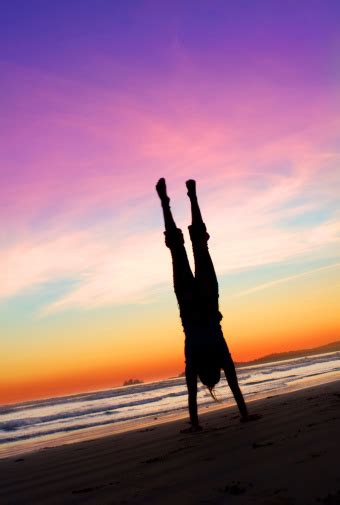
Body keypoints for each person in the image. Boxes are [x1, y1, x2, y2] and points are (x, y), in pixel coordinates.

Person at [156, 178, 256, 432]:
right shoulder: (194, 361)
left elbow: (233, 385)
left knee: (200, 246)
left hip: (208, 299)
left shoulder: (220, 354)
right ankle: (166, 205)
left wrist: (244, 414)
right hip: (189, 303)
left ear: (217, 371)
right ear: (202, 374)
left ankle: (192, 197)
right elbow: (192, 396)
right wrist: (195, 424)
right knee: (177, 250)